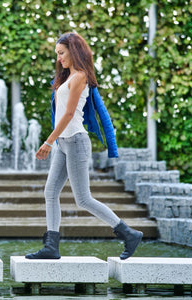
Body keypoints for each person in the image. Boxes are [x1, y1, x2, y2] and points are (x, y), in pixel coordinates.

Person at [25, 32, 143, 260]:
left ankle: (128, 233)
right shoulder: (66, 78)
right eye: (57, 54)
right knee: (50, 191)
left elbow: (69, 114)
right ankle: (51, 246)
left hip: (77, 142)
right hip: (63, 144)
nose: (58, 58)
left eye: (61, 53)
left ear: (73, 51)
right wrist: (55, 142)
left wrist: (48, 141)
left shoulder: (80, 76)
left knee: (83, 199)